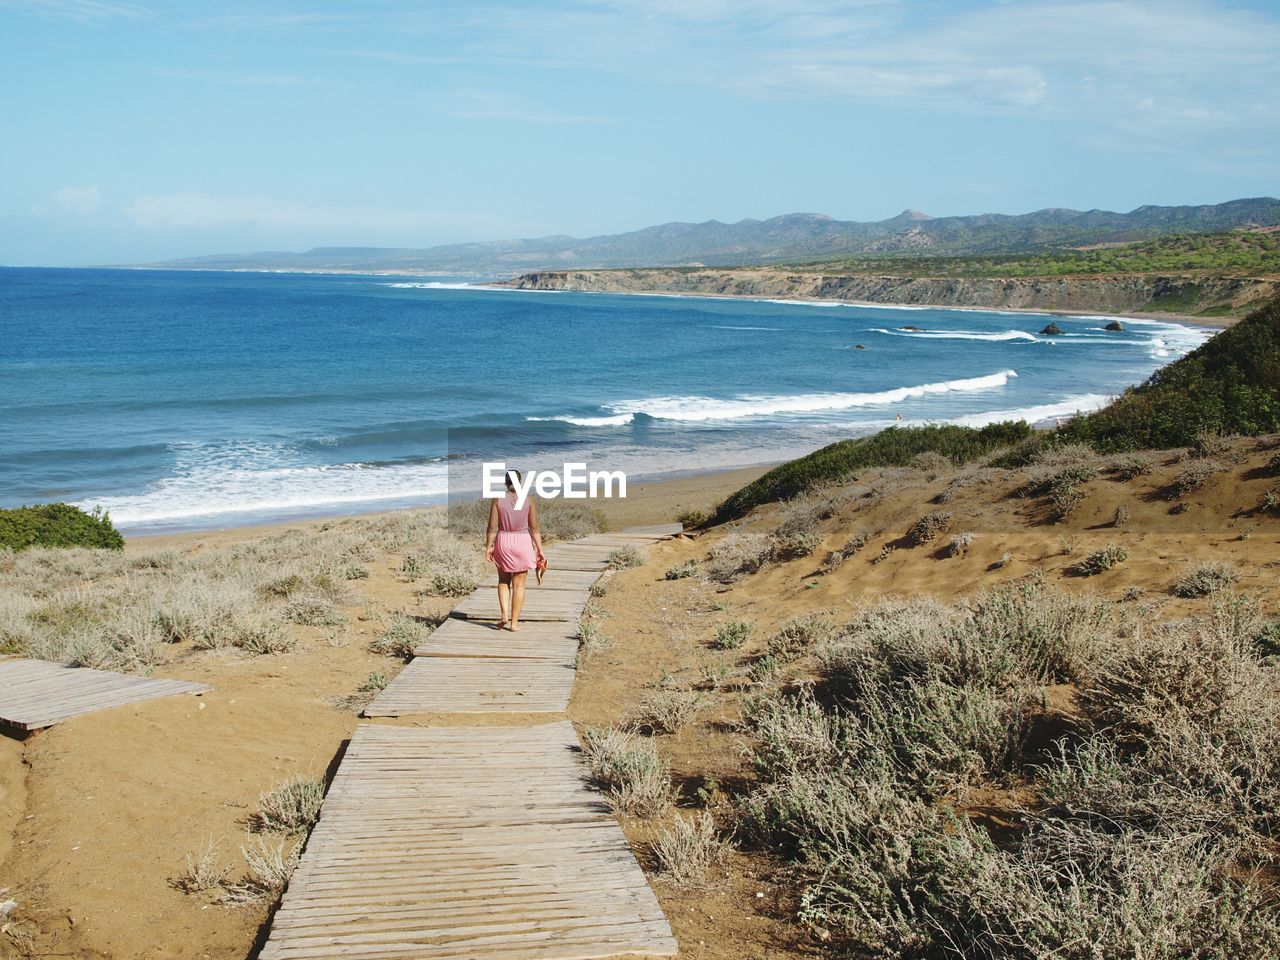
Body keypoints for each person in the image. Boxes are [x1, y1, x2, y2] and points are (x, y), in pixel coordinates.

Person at [484, 470, 546, 631]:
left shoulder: (498, 499)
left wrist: (489, 546)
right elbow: (534, 527)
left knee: (503, 580)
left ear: (506, 482)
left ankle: (504, 614)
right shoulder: (529, 499)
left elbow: (492, 526)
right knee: (519, 585)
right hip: (522, 541)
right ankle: (514, 623)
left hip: (503, 540)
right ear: (520, 481)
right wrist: (539, 549)